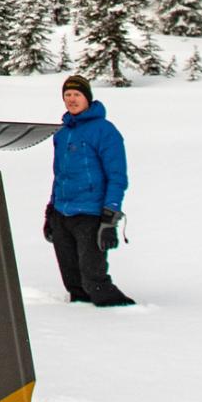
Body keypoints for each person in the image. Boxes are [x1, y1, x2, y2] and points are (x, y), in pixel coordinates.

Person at [45, 75, 133, 307]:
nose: (72, 99)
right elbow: (59, 175)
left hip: (90, 213)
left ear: (87, 98)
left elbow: (117, 176)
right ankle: (81, 319)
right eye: (67, 95)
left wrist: (110, 215)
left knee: (94, 280)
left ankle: (123, 315)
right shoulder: (62, 133)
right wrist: (50, 211)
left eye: (77, 94)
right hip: (62, 213)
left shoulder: (104, 131)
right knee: (73, 282)